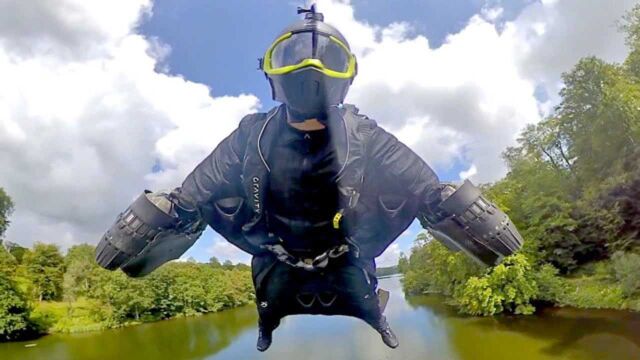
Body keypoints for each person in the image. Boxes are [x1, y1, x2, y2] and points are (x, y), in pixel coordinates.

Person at [95, 5, 523, 352]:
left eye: (327, 58)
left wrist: (462, 208)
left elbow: (427, 188)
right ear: (272, 72)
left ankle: (380, 322)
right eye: (293, 56)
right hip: (274, 255)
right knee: (269, 306)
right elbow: (191, 197)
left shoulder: (366, 136)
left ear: (347, 74)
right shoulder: (250, 136)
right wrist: (152, 218)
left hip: (346, 254)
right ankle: (266, 327)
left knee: (367, 303)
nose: (311, 66)